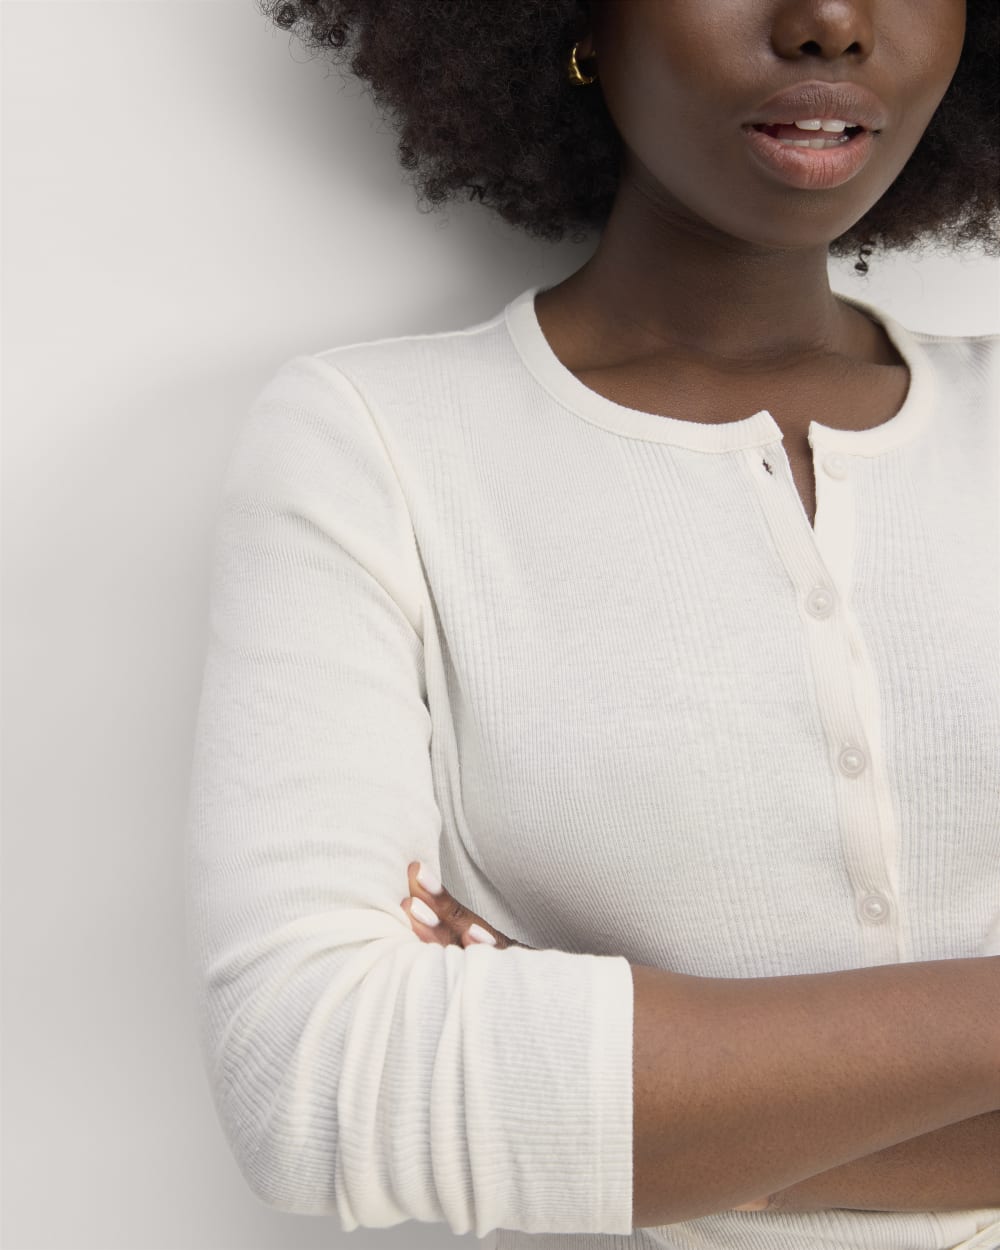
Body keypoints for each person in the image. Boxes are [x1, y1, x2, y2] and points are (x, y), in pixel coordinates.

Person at [185, 3, 1000, 1248]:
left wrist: (641, 1125)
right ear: (577, 19)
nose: (830, 22)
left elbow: (428, 1092)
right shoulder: (379, 445)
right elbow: (318, 1087)